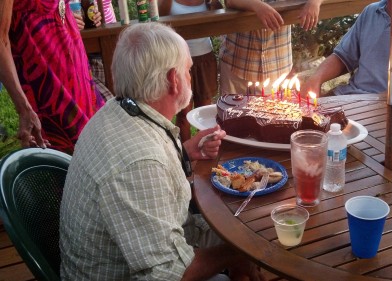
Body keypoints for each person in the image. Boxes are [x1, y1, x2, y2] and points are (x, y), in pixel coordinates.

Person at [60, 22, 266, 281]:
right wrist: (241, 254)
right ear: (173, 79)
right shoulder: (140, 162)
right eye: (188, 70)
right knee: (252, 240)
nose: (190, 77)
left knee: (247, 226)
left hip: (148, 246)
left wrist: (186, 152)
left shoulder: (121, 109)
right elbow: (169, 275)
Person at [0, 0, 105, 154]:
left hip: (77, 71)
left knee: (100, 149)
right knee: (72, 163)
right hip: (48, 88)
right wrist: (23, 108)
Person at [301, 0, 392, 96]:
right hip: (350, 97)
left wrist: (381, 100)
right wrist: (315, 79)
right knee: (301, 127)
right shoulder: (371, 11)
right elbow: (343, 57)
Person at [219, 0, 323, 95]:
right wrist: (258, 6)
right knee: (230, 112)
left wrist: (314, 2)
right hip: (237, 62)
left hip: (277, 66)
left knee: (272, 113)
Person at [158, 0, 222, 142]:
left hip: (204, 56)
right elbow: (159, 22)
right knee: (183, 113)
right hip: (179, 61)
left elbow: (219, 18)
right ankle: (185, 158)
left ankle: (206, 155)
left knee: (205, 110)